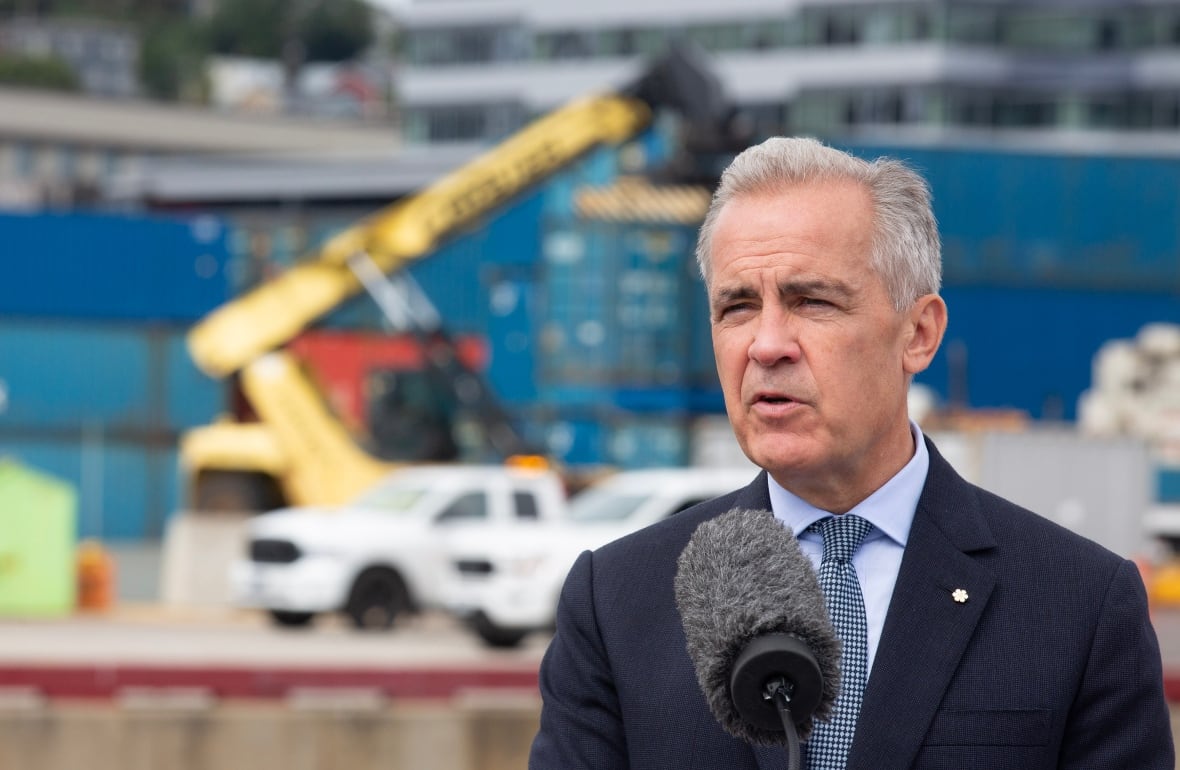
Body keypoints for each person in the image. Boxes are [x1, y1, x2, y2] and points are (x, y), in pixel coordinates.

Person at [529, 136, 1174, 769]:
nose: (767, 344)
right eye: (738, 306)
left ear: (918, 334)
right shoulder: (617, 599)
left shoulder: (1081, 603)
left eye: (811, 301)